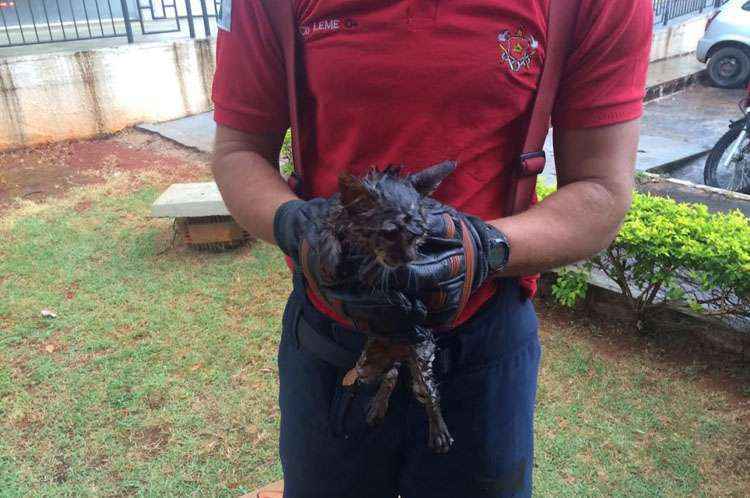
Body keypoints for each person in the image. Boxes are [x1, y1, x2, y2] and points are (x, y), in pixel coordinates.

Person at [211, 1, 653, 496]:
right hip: (330, 336)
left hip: (481, 340)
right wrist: (294, 224)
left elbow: (602, 191)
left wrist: (487, 249)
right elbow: (238, 150)